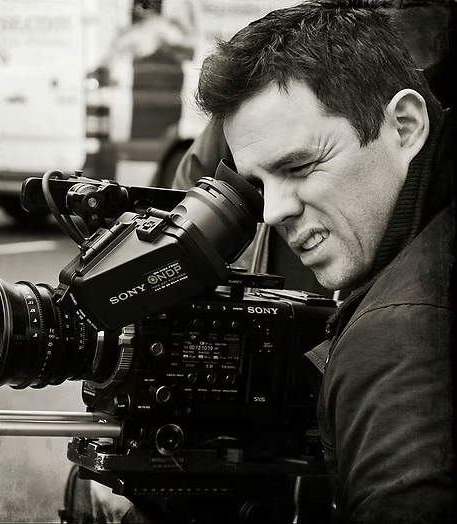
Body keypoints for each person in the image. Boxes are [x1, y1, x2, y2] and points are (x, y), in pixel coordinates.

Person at [186, 0, 455, 523]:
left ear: (405, 126)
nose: (273, 212)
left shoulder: (399, 340)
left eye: (301, 166)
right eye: (258, 183)